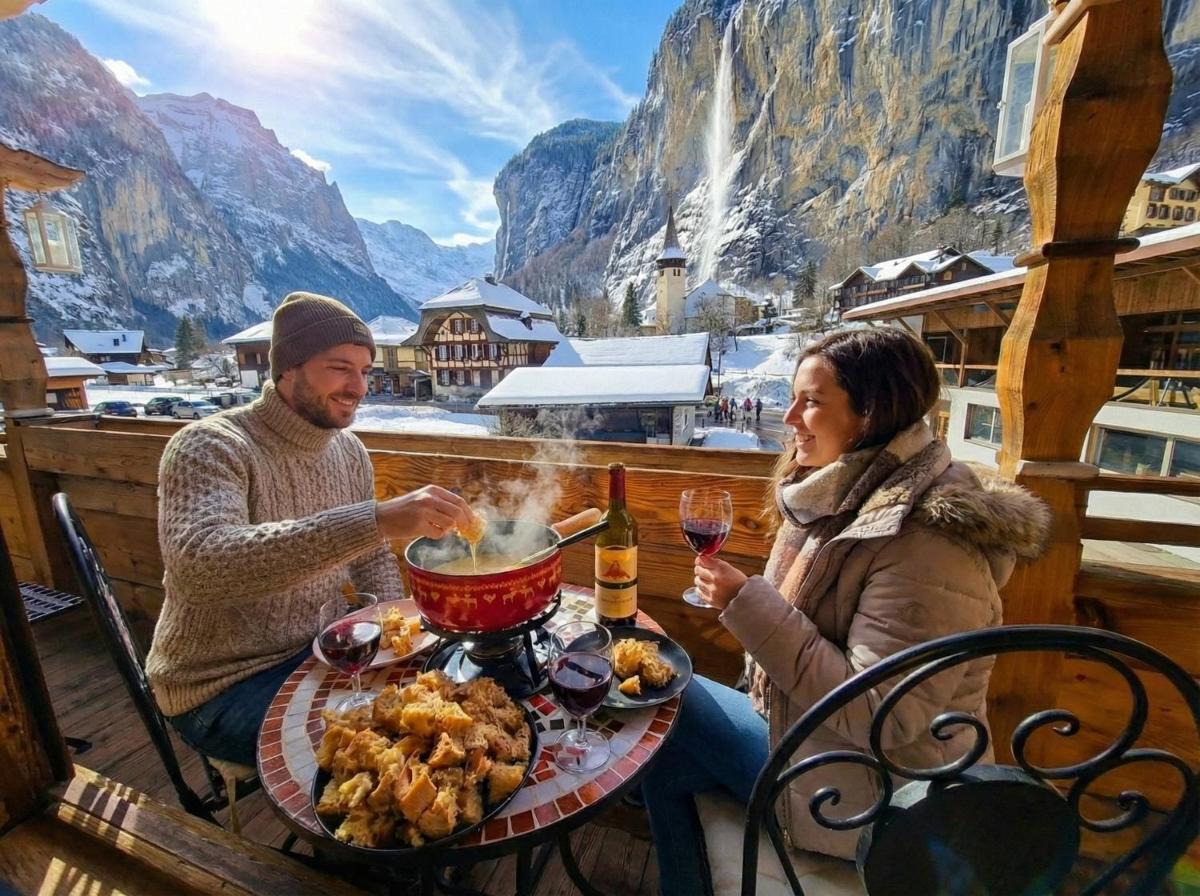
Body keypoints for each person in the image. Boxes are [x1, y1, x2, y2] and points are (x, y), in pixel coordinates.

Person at [641, 328, 1049, 895]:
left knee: (667, 701)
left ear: (872, 412)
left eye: (811, 401)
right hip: (812, 740)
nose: (788, 419)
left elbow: (884, 716)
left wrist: (745, 602)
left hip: (869, 792)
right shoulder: (848, 492)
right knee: (666, 760)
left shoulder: (927, 543)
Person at [146, 291, 475, 767]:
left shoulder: (349, 452)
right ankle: (348, 841)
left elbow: (369, 557)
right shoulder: (209, 445)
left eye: (364, 371)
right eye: (339, 368)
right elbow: (202, 564)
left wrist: (393, 638)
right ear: (287, 369)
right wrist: (377, 519)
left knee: (438, 699)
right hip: (220, 684)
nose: (359, 387)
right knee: (375, 748)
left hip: (317, 653)